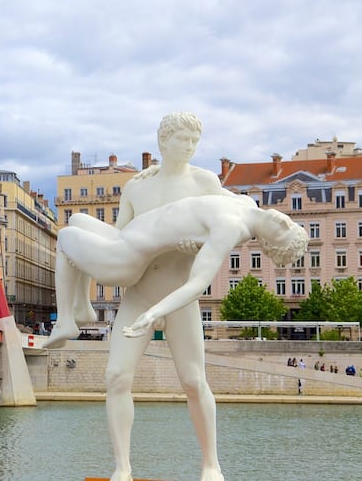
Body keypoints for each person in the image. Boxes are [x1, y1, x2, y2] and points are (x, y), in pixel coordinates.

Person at [52, 112, 233, 481]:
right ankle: (122, 467)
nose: (190, 147)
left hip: (179, 296)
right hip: (139, 295)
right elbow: (121, 239)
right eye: (183, 140)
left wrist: (198, 245)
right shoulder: (137, 187)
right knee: (116, 376)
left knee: (193, 381)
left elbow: (224, 231)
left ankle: (211, 464)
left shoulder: (205, 181)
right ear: (163, 141)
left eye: (195, 141)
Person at [44, 193, 306, 346]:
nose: (283, 221)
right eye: (290, 224)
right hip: (122, 237)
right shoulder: (245, 202)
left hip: (124, 257)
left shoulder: (230, 230)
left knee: (65, 238)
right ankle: (82, 307)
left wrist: (154, 312)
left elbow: (197, 284)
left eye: (282, 231)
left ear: (267, 243)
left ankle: (66, 321)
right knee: (77, 219)